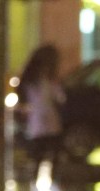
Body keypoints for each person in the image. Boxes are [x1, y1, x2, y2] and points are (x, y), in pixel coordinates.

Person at [18, 45, 66, 174]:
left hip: (43, 121)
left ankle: (45, 180)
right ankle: (42, 180)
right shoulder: (38, 81)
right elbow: (60, 98)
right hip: (40, 121)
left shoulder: (40, 80)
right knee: (43, 154)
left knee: (44, 154)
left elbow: (60, 97)